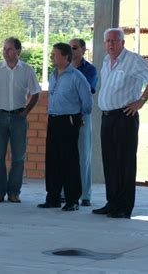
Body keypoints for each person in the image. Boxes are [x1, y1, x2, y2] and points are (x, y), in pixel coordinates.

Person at [93, 28, 148, 219]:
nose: (111, 45)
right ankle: (112, 202)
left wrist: (141, 101)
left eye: (114, 41)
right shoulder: (106, 61)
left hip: (124, 116)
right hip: (107, 116)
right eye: (108, 41)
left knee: (125, 162)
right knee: (110, 162)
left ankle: (124, 207)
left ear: (122, 42)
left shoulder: (133, 60)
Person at [0, 37, 41, 203]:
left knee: (18, 158)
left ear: (18, 51)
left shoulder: (27, 70)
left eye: (9, 49)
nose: (5, 52)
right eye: (4, 49)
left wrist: (26, 112)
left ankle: (14, 192)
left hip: (18, 118)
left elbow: (36, 93)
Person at [38, 43, 92, 212]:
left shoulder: (77, 77)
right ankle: (53, 197)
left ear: (65, 56)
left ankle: (72, 200)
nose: (52, 57)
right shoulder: (53, 75)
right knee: (53, 160)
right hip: (53, 119)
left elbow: (87, 103)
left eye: (55, 54)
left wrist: (78, 118)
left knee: (69, 161)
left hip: (69, 120)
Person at [69, 38, 97, 207]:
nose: (72, 51)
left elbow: (87, 90)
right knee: (66, 155)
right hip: (66, 116)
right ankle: (66, 192)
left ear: (83, 50)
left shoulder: (90, 70)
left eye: (75, 48)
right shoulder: (61, 69)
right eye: (69, 48)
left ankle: (85, 194)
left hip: (82, 115)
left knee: (83, 155)